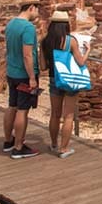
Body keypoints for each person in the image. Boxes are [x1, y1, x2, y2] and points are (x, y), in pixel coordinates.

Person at [40, 10, 89, 158]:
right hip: (69, 80)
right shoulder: (70, 41)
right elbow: (80, 62)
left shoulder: (45, 41)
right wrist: (88, 51)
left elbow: (43, 66)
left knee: (55, 114)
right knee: (68, 116)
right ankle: (64, 148)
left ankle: (54, 144)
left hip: (54, 79)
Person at [2, 0, 40, 159]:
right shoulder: (28, 28)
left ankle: (8, 141)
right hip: (23, 74)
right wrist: (32, 77)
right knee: (22, 111)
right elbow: (27, 55)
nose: (37, 12)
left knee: (12, 106)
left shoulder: (11, 24)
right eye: (37, 8)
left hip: (12, 72)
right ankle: (19, 147)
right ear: (31, 7)